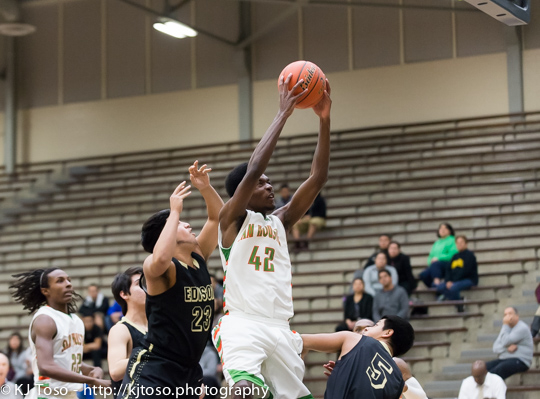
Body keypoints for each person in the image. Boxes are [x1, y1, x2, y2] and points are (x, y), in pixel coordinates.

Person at [213, 73, 331, 399]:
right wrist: (283, 114)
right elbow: (252, 170)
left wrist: (324, 119)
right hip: (243, 323)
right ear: (244, 192)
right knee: (246, 391)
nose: (269, 187)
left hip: (280, 326)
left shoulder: (281, 220)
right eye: (262, 184)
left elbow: (317, 177)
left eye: (269, 182)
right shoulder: (232, 219)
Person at [120, 161, 223, 399]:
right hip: (156, 367)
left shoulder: (198, 256)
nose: (188, 224)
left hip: (189, 368)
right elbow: (161, 257)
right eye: (179, 223)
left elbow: (218, 219)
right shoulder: (156, 268)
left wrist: (206, 188)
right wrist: (173, 212)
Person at [10, 268, 110, 399]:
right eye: (60, 281)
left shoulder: (76, 321)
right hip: (47, 394)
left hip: (70, 394)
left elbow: (66, 360)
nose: (68, 284)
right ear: (45, 291)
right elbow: (45, 366)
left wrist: (91, 370)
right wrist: (90, 380)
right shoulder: (45, 319)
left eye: (69, 280)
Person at [302, 315, 415, 399]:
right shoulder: (398, 384)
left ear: (387, 333)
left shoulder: (356, 339)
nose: (366, 329)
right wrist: (344, 374)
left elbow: (299, 340)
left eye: (375, 325)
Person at [108, 267, 147, 398]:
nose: (148, 287)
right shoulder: (120, 330)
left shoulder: (158, 327)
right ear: (124, 294)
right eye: (140, 283)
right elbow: (115, 371)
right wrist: (153, 354)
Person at [486, 307, 533, 379]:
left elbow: (505, 341)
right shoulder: (506, 328)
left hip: (520, 360)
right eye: (505, 315)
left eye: (510, 314)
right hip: (504, 359)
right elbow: (495, 348)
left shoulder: (521, 327)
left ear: (517, 316)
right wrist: (507, 349)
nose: (507, 316)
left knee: (499, 370)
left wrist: (505, 325)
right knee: (484, 367)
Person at [435, 235, 478, 305]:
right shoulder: (454, 256)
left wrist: (453, 282)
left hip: (468, 279)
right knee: (439, 287)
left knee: (453, 287)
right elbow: (448, 270)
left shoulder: (470, 255)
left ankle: (459, 305)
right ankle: (460, 300)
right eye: (457, 243)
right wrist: (448, 280)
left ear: (466, 244)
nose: (460, 244)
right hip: (455, 281)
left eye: (461, 242)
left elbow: (466, 271)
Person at [419, 223, 458, 288]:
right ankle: (438, 291)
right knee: (423, 275)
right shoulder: (437, 243)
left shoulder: (452, 240)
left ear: (450, 231)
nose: (442, 230)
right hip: (435, 265)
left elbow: (453, 254)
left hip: (448, 264)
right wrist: (430, 262)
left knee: (435, 264)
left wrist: (438, 258)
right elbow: (431, 255)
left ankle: (437, 284)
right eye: (440, 228)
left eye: (445, 228)